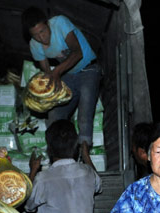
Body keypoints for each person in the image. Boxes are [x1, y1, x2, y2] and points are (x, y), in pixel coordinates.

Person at [21, 7, 101, 168]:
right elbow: (47, 73)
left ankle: (84, 155)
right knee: (54, 116)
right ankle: (58, 158)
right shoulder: (34, 45)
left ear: (47, 23)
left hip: (89, 69)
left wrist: (56, 72)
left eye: (43, 31)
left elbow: (77, 53)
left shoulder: (60, 23)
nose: (41, 37)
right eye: (35, 35)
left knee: (85, 113)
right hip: (68, 75)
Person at [24, 119, 102, 213]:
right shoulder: (88, 172)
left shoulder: (43, 179)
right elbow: (98, 184)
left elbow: (28, 205)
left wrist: (33, 170)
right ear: (76, 147)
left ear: (49, 149)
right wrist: (86, 156)